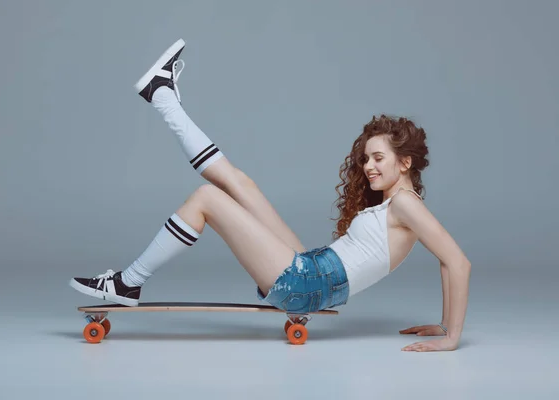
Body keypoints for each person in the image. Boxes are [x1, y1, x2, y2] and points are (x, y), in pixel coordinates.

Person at [69, 39, 472, 352]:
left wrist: (450, 335)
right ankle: (163, 96)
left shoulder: (405, 204)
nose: (368, 167)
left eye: (379, 158)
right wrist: (442, 322)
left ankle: (128, 283)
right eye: (366, 158)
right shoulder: (396, 205)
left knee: (208, 199)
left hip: (307, 283)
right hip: (313, 269)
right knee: (242, 184)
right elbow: (447, 263)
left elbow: (456, 262)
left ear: (405, 164)